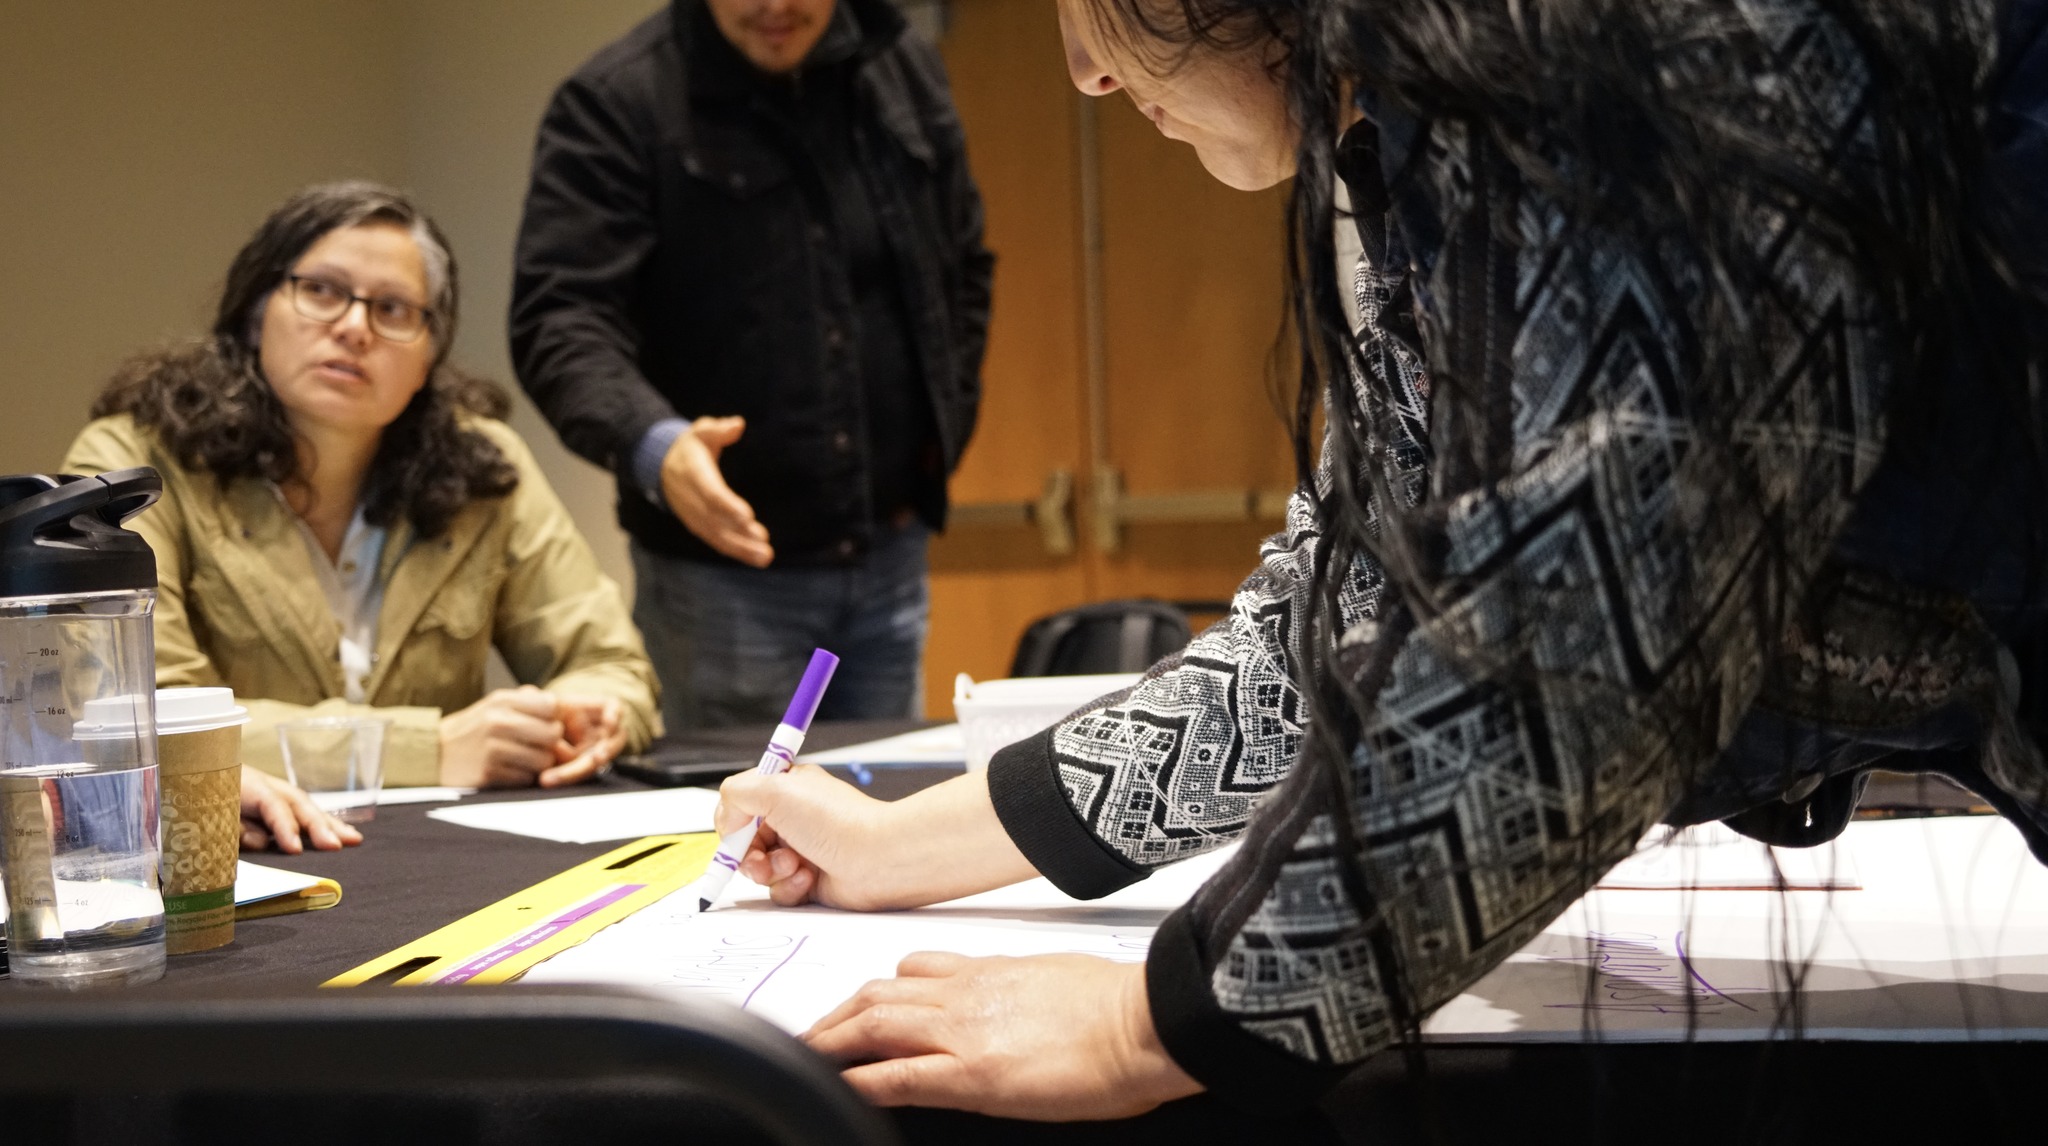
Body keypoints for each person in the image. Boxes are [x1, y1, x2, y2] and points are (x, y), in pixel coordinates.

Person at [709, 0, 2048, 1122]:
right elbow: (1345, 618)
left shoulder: (1637, 48)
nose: (1084, 65)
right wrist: (899, 844)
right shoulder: (1453, 123)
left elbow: (1576, 636)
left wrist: (1163, 1019)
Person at [64, 182, 662, 795]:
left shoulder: (486, 466)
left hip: (442, 854)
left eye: (394, 309)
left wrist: (577, 720)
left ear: (429, 355)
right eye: (321, 291)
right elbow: (134, 716)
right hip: (232, 855)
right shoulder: (132, 463)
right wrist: (428, 751)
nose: (355, 327)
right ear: (255, 310)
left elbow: (610, 667)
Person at [510, 0, 994, 732]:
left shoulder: (901, 68)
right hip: (722, 582)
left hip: (890, 547)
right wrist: (656, 443)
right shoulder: (618, 101)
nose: (776, 6)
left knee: (879, 812)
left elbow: (961, 267)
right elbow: (561, 318)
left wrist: (942, 426)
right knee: (741, 826)